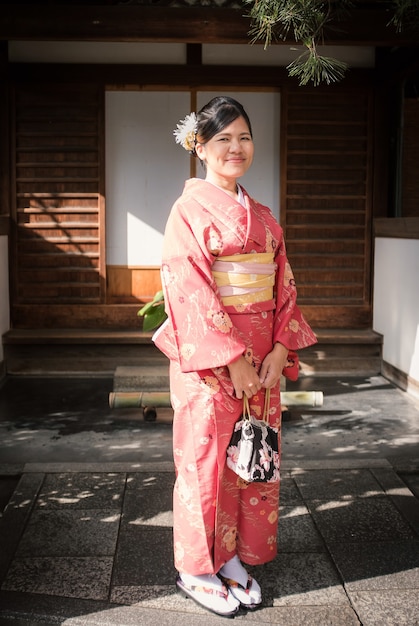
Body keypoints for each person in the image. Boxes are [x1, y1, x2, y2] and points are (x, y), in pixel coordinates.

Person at [153, 96, 317, 617]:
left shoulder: (263, 217)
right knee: (205, 459)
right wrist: (234, 360)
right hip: (210, 364)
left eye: (243, 136)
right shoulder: (187, 212)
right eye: (222, 138)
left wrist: (282, 348)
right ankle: (196, 567)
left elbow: (283, 285)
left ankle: (233, 557)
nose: (236, 148)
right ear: (199, 146)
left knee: (250, 459)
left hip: (264, 357)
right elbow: (189, 291)